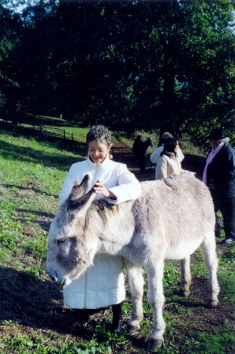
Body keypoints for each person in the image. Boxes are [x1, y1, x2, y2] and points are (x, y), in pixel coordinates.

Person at [58, 125, 142, 331]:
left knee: (110, 272)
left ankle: (117, 317)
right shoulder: (77, 168)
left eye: (100, 150)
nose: (95, 154)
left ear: (109, 147)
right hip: (80, 233)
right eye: (92, 149)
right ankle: (82, 310)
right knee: (80, 271)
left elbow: (135, 188)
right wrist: (75, 195)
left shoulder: (118, 169)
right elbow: (62, 197)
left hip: (106, 234)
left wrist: (109, 192)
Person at [202, 128, 235, 244]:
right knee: (212, 209)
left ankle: (230, 235)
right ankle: (216, 231)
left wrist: (216, 182)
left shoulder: (228, 151)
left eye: (210, 140)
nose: (209, 142)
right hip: (214, 188)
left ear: (216, 141)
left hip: (226, 188)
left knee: (228, 213)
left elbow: (232, 171)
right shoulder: (213, 151)